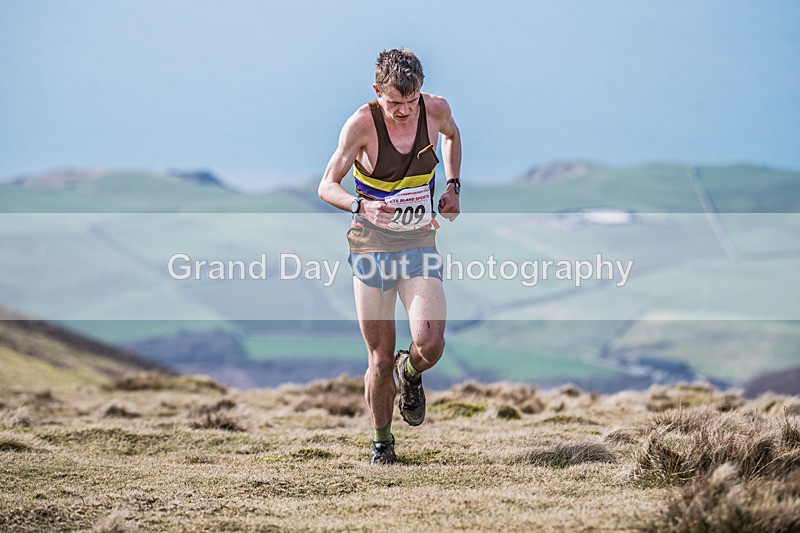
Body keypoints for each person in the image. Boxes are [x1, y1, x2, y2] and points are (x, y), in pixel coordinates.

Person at [318, 48, 461, 464]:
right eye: (395, 102)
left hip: (418, 242)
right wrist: (360, 206)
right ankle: (382, 443)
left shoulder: (436, 110)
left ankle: (410, 372)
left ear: (421, 90)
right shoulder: (361, 124)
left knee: (430, 343)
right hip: (371, 246)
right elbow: (326, 185)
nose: (404, 111)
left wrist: (452, 186)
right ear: (377, 91)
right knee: (380, 358)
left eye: (411, 101)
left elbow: (453, 135)